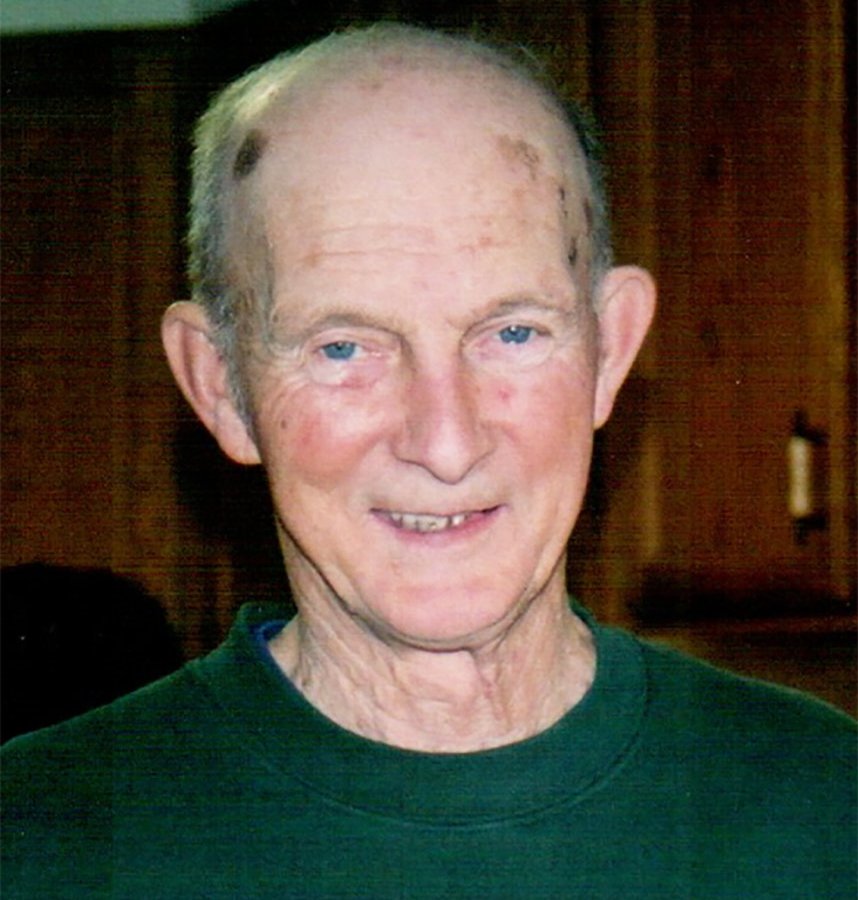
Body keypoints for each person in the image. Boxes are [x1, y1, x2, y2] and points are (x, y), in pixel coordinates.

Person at [2, 23, 855, 898]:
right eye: (343, 348)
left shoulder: (825, 809)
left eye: (512, 333)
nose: (445, 443)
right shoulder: (37, 842)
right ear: (220, 385)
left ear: (610, 349)